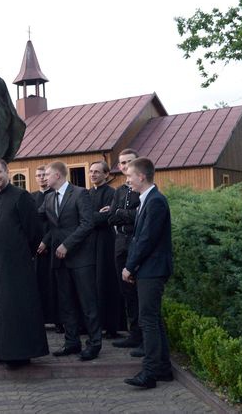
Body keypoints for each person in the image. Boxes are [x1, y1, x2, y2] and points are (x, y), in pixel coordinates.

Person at [0, 159, 49, 368]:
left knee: (15, 307)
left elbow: (33, 231)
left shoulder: (21, 197)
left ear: (7, 172)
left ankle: (19, 353)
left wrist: (20, 253)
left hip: (17, 264)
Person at [38, 161, 101, 361]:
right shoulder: (48, 199)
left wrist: (67, 245)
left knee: (87, 302)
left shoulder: (80, 193)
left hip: (80, 258)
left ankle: (94, 344)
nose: (43, 178)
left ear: (57, 175)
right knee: (66, 303)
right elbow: (49, 225)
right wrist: (45, 242)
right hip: (59, 261)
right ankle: (72, 342)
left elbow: (87, 223)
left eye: (46, 174)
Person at [122, 157, 174, 389]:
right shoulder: (147, 200)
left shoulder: (155, 202)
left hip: (152, 270)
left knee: (148, 321)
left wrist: (129, 266)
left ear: (141, 176)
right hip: (148, 269)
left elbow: (146, 240)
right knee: (153, 319)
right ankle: (162, 369)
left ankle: (150, 373)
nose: (127, 180)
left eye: (130, 176)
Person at [108, 149, 143, 353]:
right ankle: (133, 334)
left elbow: (138, 216)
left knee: (139, 290)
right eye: (122, 163)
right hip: (120, 242)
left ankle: (144, 337)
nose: (125, 165)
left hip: (135, 242)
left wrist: (121, 213)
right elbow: (111, 217)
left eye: (129, 162)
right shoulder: (119, 191)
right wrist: (122, 213)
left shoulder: (142, 188)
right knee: (126, 291)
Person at [88, 161, 124, 339]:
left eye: (96, 172)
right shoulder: (87, 193)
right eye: (91, 172)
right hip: (89, 244)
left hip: (106, 243)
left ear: (106, 174)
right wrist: (96, 216)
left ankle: (111, 326)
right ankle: (95, 325)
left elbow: (107, 218)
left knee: (106, 283)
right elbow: (84, 218)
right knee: (92, 284)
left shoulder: (112, 193)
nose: (93, 175)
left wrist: (94, 218)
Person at [31, 166, 60, 331]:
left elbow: (55, 223)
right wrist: (36, 243)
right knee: (38, 284)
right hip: (37, 248)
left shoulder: (55, 196)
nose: (41, 178)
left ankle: (57, 319)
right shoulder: (31, 197)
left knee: (53, 284)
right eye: (38, 175)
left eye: (44, 175)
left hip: (52, 244)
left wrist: (46, 242)